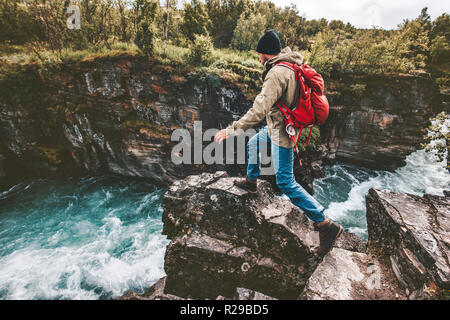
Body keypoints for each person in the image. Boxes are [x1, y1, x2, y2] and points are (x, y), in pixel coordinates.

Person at [214, 29, 343, 255]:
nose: (258, 58)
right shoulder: (290, 63)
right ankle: (251, 182)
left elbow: (259, 109)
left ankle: (324, 224)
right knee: (254, 143)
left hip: (283, 131)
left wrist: (231, 130)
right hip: (277, 126)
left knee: (285, 181)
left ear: (265, 53)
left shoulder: (277, 73)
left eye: (258, 54)